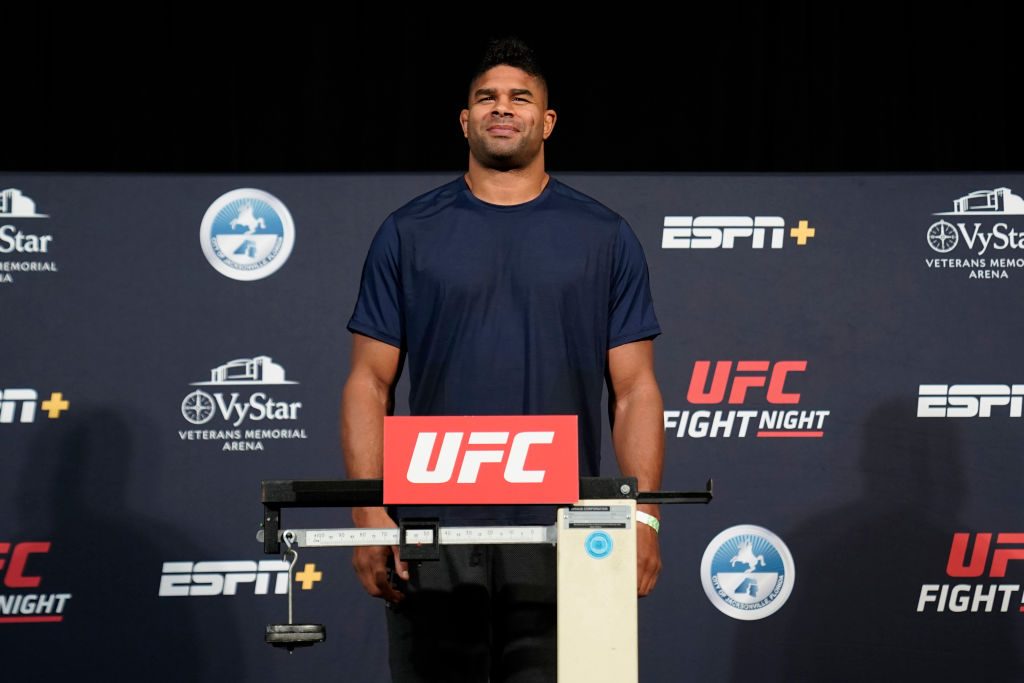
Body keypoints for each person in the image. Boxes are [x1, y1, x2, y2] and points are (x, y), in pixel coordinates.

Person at [341, 36, 665, 683]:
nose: (502, 107)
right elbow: (369, 382)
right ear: (465, 120)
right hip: (432, 525)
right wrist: (368, 514)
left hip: (569, 528)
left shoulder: (604, 235)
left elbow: (635, 390)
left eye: (521, 97)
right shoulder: (408, 231)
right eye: (486, 97)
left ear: (548, 120)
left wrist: (644, 515)